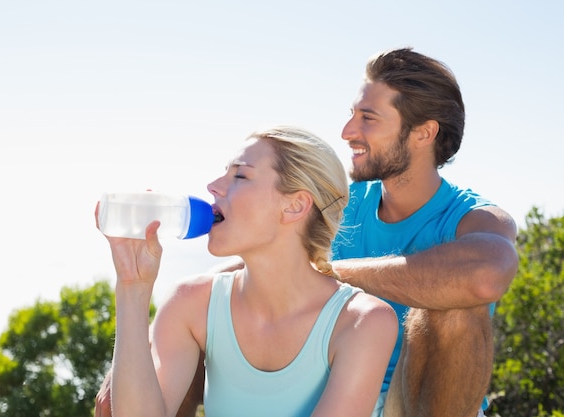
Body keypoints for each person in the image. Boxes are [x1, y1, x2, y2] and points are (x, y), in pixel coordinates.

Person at [97, 126, 398, 417]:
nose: (213, 186)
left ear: (294, 206)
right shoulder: (190, 305)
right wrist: (132, 286)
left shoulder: (363, 323)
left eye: (240, 175)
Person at [330, 47, 518, 417]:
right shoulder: (336, 206)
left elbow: (485, 275)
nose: (347, 132)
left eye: (368, 118)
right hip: (340, 395)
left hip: (422, 404)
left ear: (423, 133)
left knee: (456, 308)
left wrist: (329, 273)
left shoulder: (476, 218)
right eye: (352, 115)